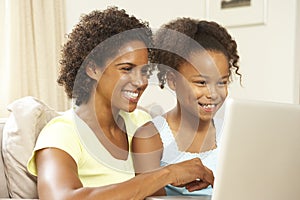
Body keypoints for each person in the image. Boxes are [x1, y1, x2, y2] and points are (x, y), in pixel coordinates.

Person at [26, 8, 214, 200]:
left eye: (144, 72)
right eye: (126, 68)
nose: (141, 82)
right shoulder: (62, 132)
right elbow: (61, 198)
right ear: (92, 68)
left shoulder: (141, 122)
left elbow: (157, 189)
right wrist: (168, 174)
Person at [132, 18, 242, 196]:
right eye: (201, 82)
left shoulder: (231, 133)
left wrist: (215, 180)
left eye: (221, 82)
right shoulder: (149, 137)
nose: (213, 93)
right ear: (172, 81)